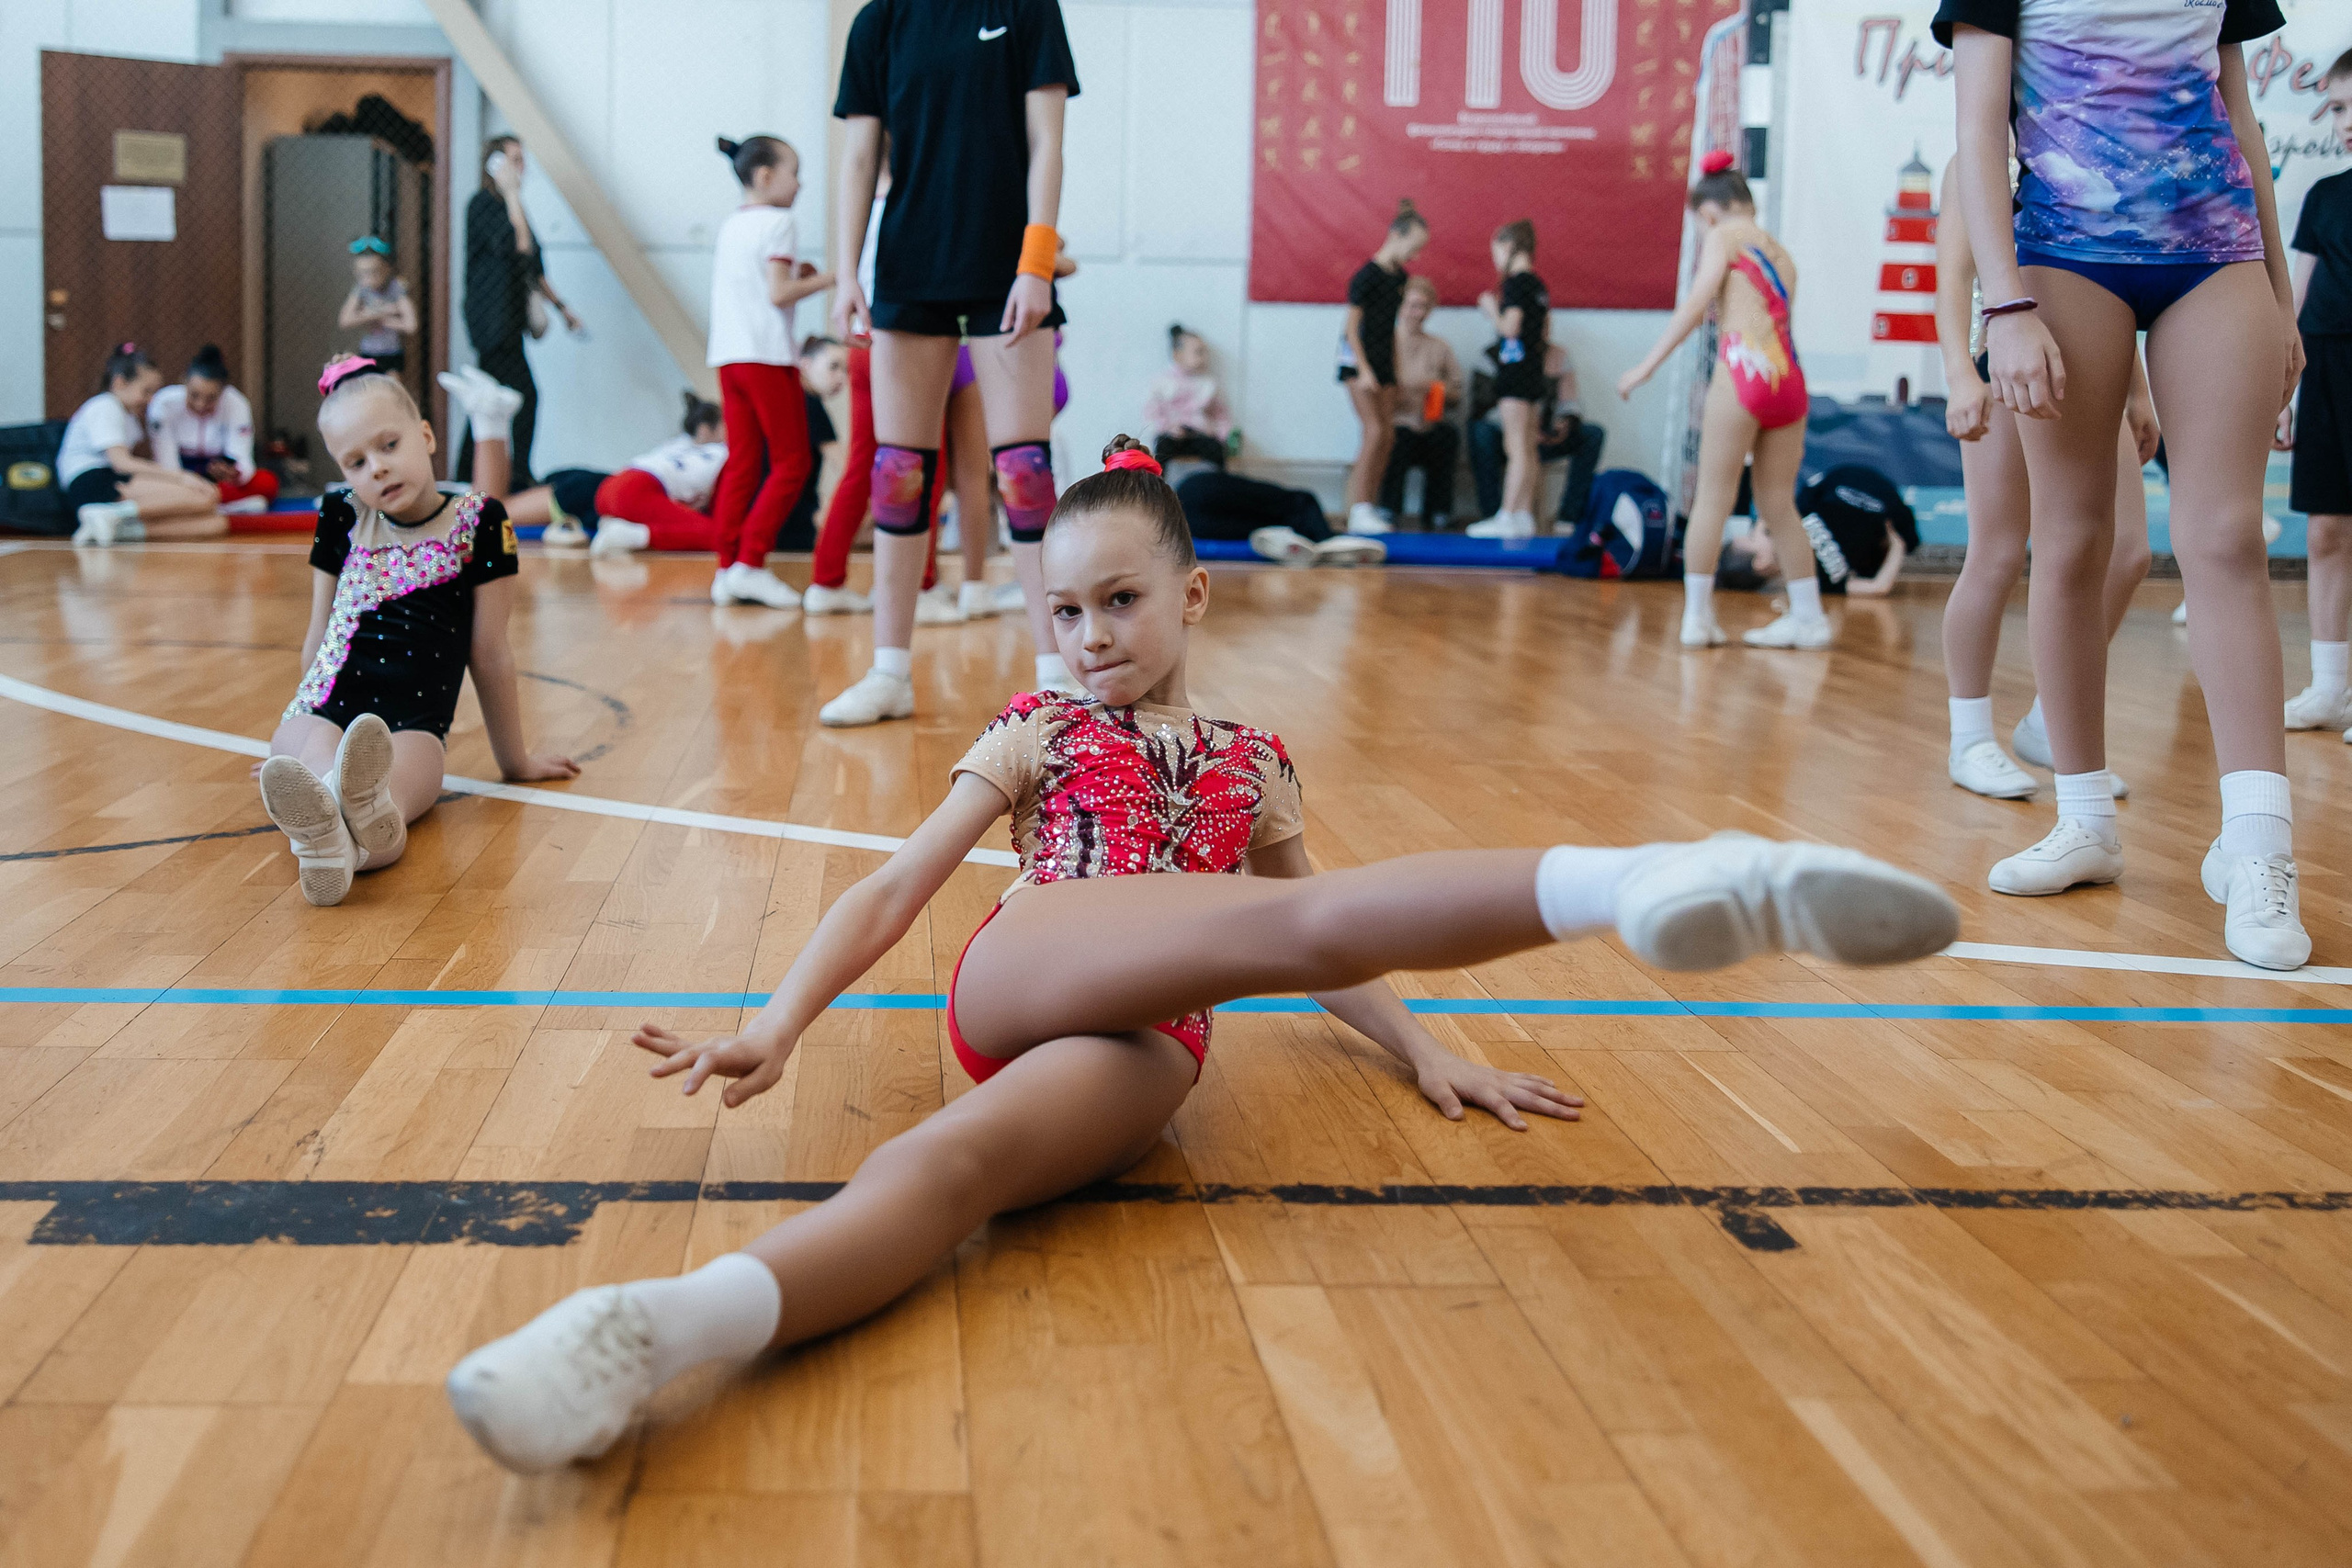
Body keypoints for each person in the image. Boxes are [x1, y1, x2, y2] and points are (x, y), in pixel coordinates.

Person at [441, 434, 1960, 1476]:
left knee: (947, 1176)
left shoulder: (1251, 757)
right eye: (1065, 609)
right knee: (1274, 926)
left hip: (1151, 1045)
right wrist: (778, 1021)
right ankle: (1642, 878)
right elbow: (901, 882)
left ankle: (649, 1334)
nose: (1091, 633)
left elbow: (1318, 936)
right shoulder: (1040, 726)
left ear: (1193, 594)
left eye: (1120, 602)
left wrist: (1426, 1046)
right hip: (1027, 966)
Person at [1939, 1, 2309, 969]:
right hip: (2065, 260)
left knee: (2226, 538)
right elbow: (1977, 128)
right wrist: (2005, 305)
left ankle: (2259, 848)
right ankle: (2084, 819)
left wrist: (2279, 297)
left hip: (2215, 257)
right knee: (2069, 542)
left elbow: (2240, 115)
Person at [822, 0, 1082, 726]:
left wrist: (1036, 263)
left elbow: (1047, 142)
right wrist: (846, 274)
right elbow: (860, 157)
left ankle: (1056, 675)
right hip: (910, 262)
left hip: (1007, 264)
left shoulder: (1026, 9)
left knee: (1024, 472)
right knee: (898, 472)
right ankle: (889, 671)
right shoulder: (880, 21)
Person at [260, 355, 577, 908]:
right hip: (327, 705)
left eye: (389, 446)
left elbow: (490, 653)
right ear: (342, 471)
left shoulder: (481, 521)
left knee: (391, 799)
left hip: (412, 723)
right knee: (312, 745)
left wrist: (516, 761)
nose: (377, 469)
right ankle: (320, 796)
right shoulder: (341, 514)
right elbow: (319, 631)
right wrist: (298, 726)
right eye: (356, 462)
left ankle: (331, 829)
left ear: (426, 436)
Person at [1932, 159, 2155, 804]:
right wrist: (1961, 375)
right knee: (1999, 552)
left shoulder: (2085, 141)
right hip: (2007, 366)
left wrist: (2138, 389)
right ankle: (1970, 737)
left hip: (2093, 368)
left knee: (2128, 551)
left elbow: (2109, 277)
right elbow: (1954, 276)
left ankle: (2048, 722)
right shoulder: (1977, 159)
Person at [1619, 154, 1826, 650]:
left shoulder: (1724, 236)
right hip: (1788, 379)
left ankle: (1697, 618)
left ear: (1709, 213)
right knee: (1778, 503)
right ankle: (1810, 618)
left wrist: (1646, 366)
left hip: (1742, 371)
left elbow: (1698, 303)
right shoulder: (1781, 253)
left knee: (1713, 495)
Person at [703, 135, 832, 608]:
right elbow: (778, 295)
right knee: (793, 462)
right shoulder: (781, 222)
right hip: (767, 356)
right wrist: (835, 278)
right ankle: (751, 563)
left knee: (742, 462)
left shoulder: (732, 225)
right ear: (765, 176)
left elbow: (764, 288)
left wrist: (800, 279)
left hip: (729, 356)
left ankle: (727, 568)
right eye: (794, 173)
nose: (800, 184)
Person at [2281, 50, 2352, 736]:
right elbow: (2297, 301)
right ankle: (2330, 686)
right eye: (2337, 108)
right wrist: (2284, 389)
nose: (2347, 121)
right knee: (2328, 526)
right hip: (2327, 368)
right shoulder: (2325, 196)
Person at [460, 135, 579, 490]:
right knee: (523, 395)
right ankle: (516, 476)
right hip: (491, 322)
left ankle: (467, 475)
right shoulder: (482, 204)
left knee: (489, 398)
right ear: (494, 165)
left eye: (521, 160)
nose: (521, 167)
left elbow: (534, 267)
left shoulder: (515, 209)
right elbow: (519, 245)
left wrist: (562, 309)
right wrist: (511, 193)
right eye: (513, 159)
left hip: (510, 322)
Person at [515, 392, 728, 555]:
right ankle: (635, 535)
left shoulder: (682, 444)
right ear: (704, 429)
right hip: (633, 490)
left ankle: (623, 529)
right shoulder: (724, 455)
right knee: (722, 537)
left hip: (614, 486)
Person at [62, 343, 227, 545]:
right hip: (91, 482)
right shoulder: (105, 406)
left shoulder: (128, 416)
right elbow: (121, 463)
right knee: (203, 496)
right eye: (146, 391)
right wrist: (182, 477)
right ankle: (112, 513)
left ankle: (110, 526)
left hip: (108, 478)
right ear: (120, 383)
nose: (150, 399)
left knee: (216, 524)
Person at [1339, 201, 1428, 536]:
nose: (1415, 255)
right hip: (1357, 361)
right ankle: (1358, 509)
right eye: (1413, 247)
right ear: (1396, 235)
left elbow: (1390, 328)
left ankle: (1369, 505)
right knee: (1374, 431)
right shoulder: (1367, 276)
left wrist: (1395, 370)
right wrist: (1364, 369)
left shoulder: (1400, 277)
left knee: (1388, 436)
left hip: (1383, 360)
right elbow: (1351, 328)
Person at [1468, 220, 1554, 539]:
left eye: (1495, 254)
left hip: (1515, 373)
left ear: (1507, 247)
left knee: (1515, 445)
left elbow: (1510, 328)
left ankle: (1506, 514)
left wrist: (1491, 309)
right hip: (1532, 370)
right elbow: (1545, 330)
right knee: (1527, 446)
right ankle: (1523, 514)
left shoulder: (1517, 283)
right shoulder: (1538, 286)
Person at [1469, 344, 1608, 532]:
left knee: (1592, 434)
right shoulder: (1494, 356)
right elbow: (1482, 406)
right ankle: (1498, 514)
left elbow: (1570, 403)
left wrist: (1564, 424)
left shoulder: (1557, 357)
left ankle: (1567, 516)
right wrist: (1526, 430)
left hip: (1544, 434)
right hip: (1506, 435)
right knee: (1486, 434)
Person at [144, 343, 276, 514]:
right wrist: (188, 483)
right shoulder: (163, 404)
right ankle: (219, 507)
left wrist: (234, 473)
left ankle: (194, 507)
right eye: (194, 395)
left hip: (218, 480)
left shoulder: (236, 403)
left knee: (267, 482)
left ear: (223, 392)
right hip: (180, 476)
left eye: (211, 398)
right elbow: (166, 463)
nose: (201, 405)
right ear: (184, 382)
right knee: (150, 485)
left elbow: (242, 459)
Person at [1377, 277, 1464, 525]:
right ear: (1400, 306)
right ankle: (1388, 508)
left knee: (1447, 437)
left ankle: (1438, 512)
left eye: (1424, 307)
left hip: (1430, 423)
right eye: (1413, 306)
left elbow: (1457, 393)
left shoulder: (1440, 347)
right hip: (1398, 424)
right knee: (1395, 440)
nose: (1419, 313)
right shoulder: (1386, 344)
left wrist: (1436, 389)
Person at [1144, 323, 1232, 468]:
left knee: (1216, 449)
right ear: (1177, 355)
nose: (1204, 357)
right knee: (1162, 447)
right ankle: (1158, 481)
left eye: (1205, 352)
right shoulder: (1163, 383)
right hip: (1172, 435)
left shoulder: (1208, 384)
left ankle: (1217, 481)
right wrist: (1167, 427)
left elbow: (1221, 414)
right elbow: (1152, 414)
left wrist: (1220, 433)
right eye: (1198, 352)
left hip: (1199, 435)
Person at [339, 235, 417, 377]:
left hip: (391, 352)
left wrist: (369, 315)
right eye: (362, 273)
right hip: (368, 351)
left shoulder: (396, 288)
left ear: (386, 268)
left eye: (374, 272)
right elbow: (345, 320)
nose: (368, 278)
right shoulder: (361, 290)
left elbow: (411, 325)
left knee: (392, 385)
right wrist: (383, 312)